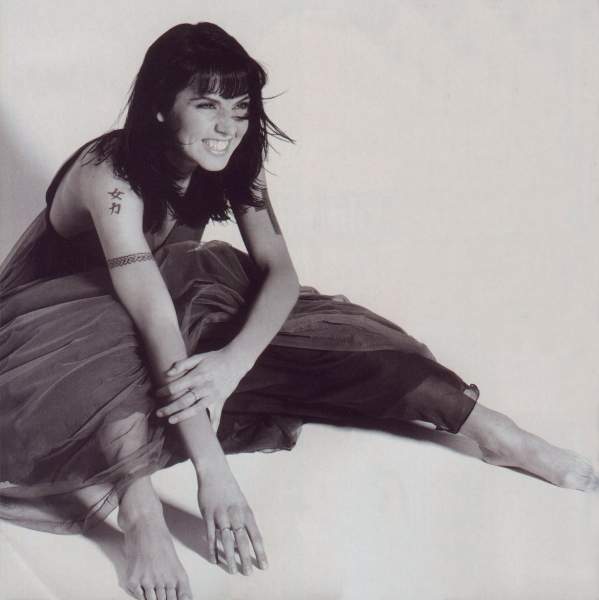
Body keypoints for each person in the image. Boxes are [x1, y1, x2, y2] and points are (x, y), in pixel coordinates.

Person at [0, 21, 596, 600]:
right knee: (114, 370)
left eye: (240, 109)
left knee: (338, 341)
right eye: (207, 105)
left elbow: (280, 272)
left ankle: (493, 431)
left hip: (177, 296)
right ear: (160, 107)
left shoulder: (230, 154)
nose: (227, 127)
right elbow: (150, 315)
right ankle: (141, 512)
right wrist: (214, 472)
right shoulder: (111, 175)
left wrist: (232, 362)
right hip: (58, 328)